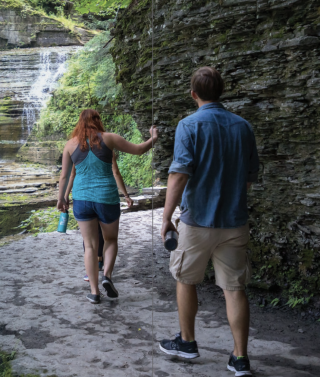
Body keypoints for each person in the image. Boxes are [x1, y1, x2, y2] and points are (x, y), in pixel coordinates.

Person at [159, 67, 259, 376]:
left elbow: (179, 174)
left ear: (193, 94)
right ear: (221, 91)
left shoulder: (188, 125)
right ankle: (240, 358)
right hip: (234, 221)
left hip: (197, 221)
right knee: (234, 288)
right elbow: (249, 177)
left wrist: (166, 216)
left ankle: (187, 342)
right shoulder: (243, 127)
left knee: (186, 279)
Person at [57, 109, 158, 304]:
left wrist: (61, 198)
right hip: (106, 197)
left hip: (82, 199)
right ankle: (107, 276)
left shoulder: (70, 145)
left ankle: (94, 292)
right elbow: (139, 150)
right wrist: (153, 137)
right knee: (110, 239)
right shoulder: (109, 138)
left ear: (80, 123)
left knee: (90, 246)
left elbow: (64, 175)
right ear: (97, 121)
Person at [64, 164, 134, 281]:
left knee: (89, 239)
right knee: (107, 236)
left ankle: (92, 273)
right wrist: (126, 195)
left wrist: (65, 195)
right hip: (105, 196)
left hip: (83, 197)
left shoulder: (77, 147)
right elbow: (116, 172)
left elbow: (72, 175)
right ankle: (104, 269)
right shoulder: (107, 147)